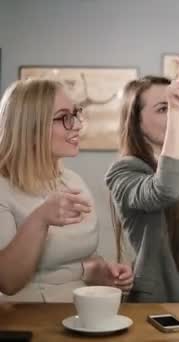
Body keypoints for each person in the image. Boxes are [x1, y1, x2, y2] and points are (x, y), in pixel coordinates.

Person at [0, 79, 133, 302]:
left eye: (75, 114)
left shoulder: (73, 182)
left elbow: (79, 260)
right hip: (21, 320)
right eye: (64, 118)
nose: (78, 125)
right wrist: (40, 219)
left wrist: (103, 272)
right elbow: (8, 281)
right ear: (30, 128)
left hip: (79, 313)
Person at [105, 69, 179, 303]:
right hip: (160, 307)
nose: (173, 113)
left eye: (176, 106)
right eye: (163, 108)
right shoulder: (124, 172)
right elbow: (168, 188)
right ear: (135, 120)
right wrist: (177, 112)